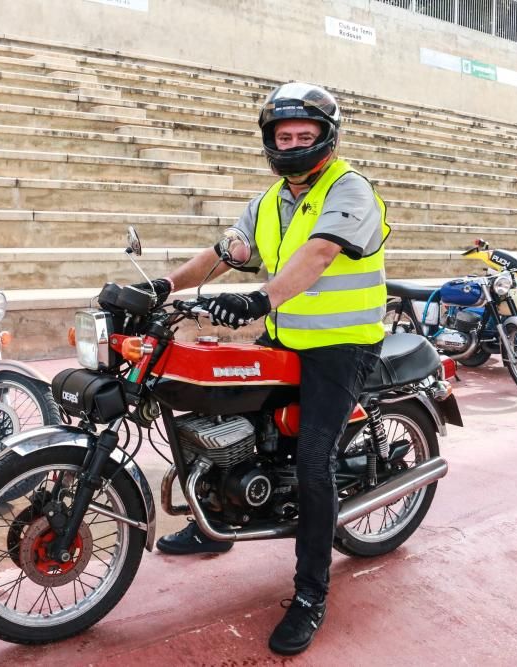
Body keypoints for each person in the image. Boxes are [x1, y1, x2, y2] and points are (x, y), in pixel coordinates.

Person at [133, 82, 389, 656]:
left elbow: (320, 253)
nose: (293, 143)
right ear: (270, 141)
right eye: (283, 135)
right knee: (203, 397)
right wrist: (163, 285)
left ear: (327, 137)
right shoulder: (267, 201)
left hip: (342, 346)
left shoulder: (350, 190)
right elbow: (226, 251)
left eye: (305, 134)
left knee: (314, 459)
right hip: (284, 337)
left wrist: (262, 299)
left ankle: (310, 593)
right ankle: (212, 521)